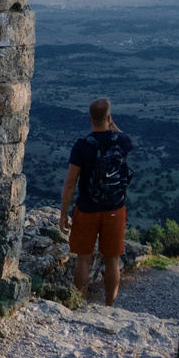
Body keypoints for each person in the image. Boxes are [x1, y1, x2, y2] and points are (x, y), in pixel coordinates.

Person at [58, 96, 134, 306]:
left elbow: (71, 183)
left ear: (89, 119)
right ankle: (109, 306)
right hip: (115, 209)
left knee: (83, 258)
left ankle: (79, 303)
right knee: (112, 259)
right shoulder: (123, 142)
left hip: (87, 209)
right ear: (109, 117)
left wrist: (64, 214)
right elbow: (122, 136)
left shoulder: (82, 146)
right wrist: (111, 122)